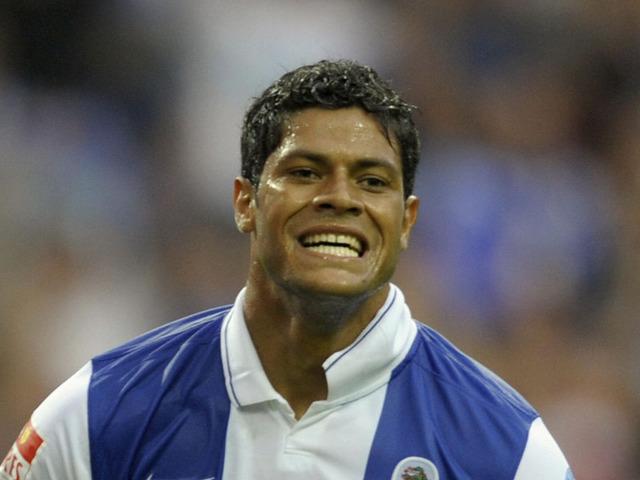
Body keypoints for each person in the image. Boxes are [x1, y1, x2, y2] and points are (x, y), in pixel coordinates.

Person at [1, 60, 573, 480]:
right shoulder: (97, 415)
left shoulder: (509, 453)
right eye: (305, 171)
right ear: (245, 202)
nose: (341, 198)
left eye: (373, 181)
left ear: (407, 220)